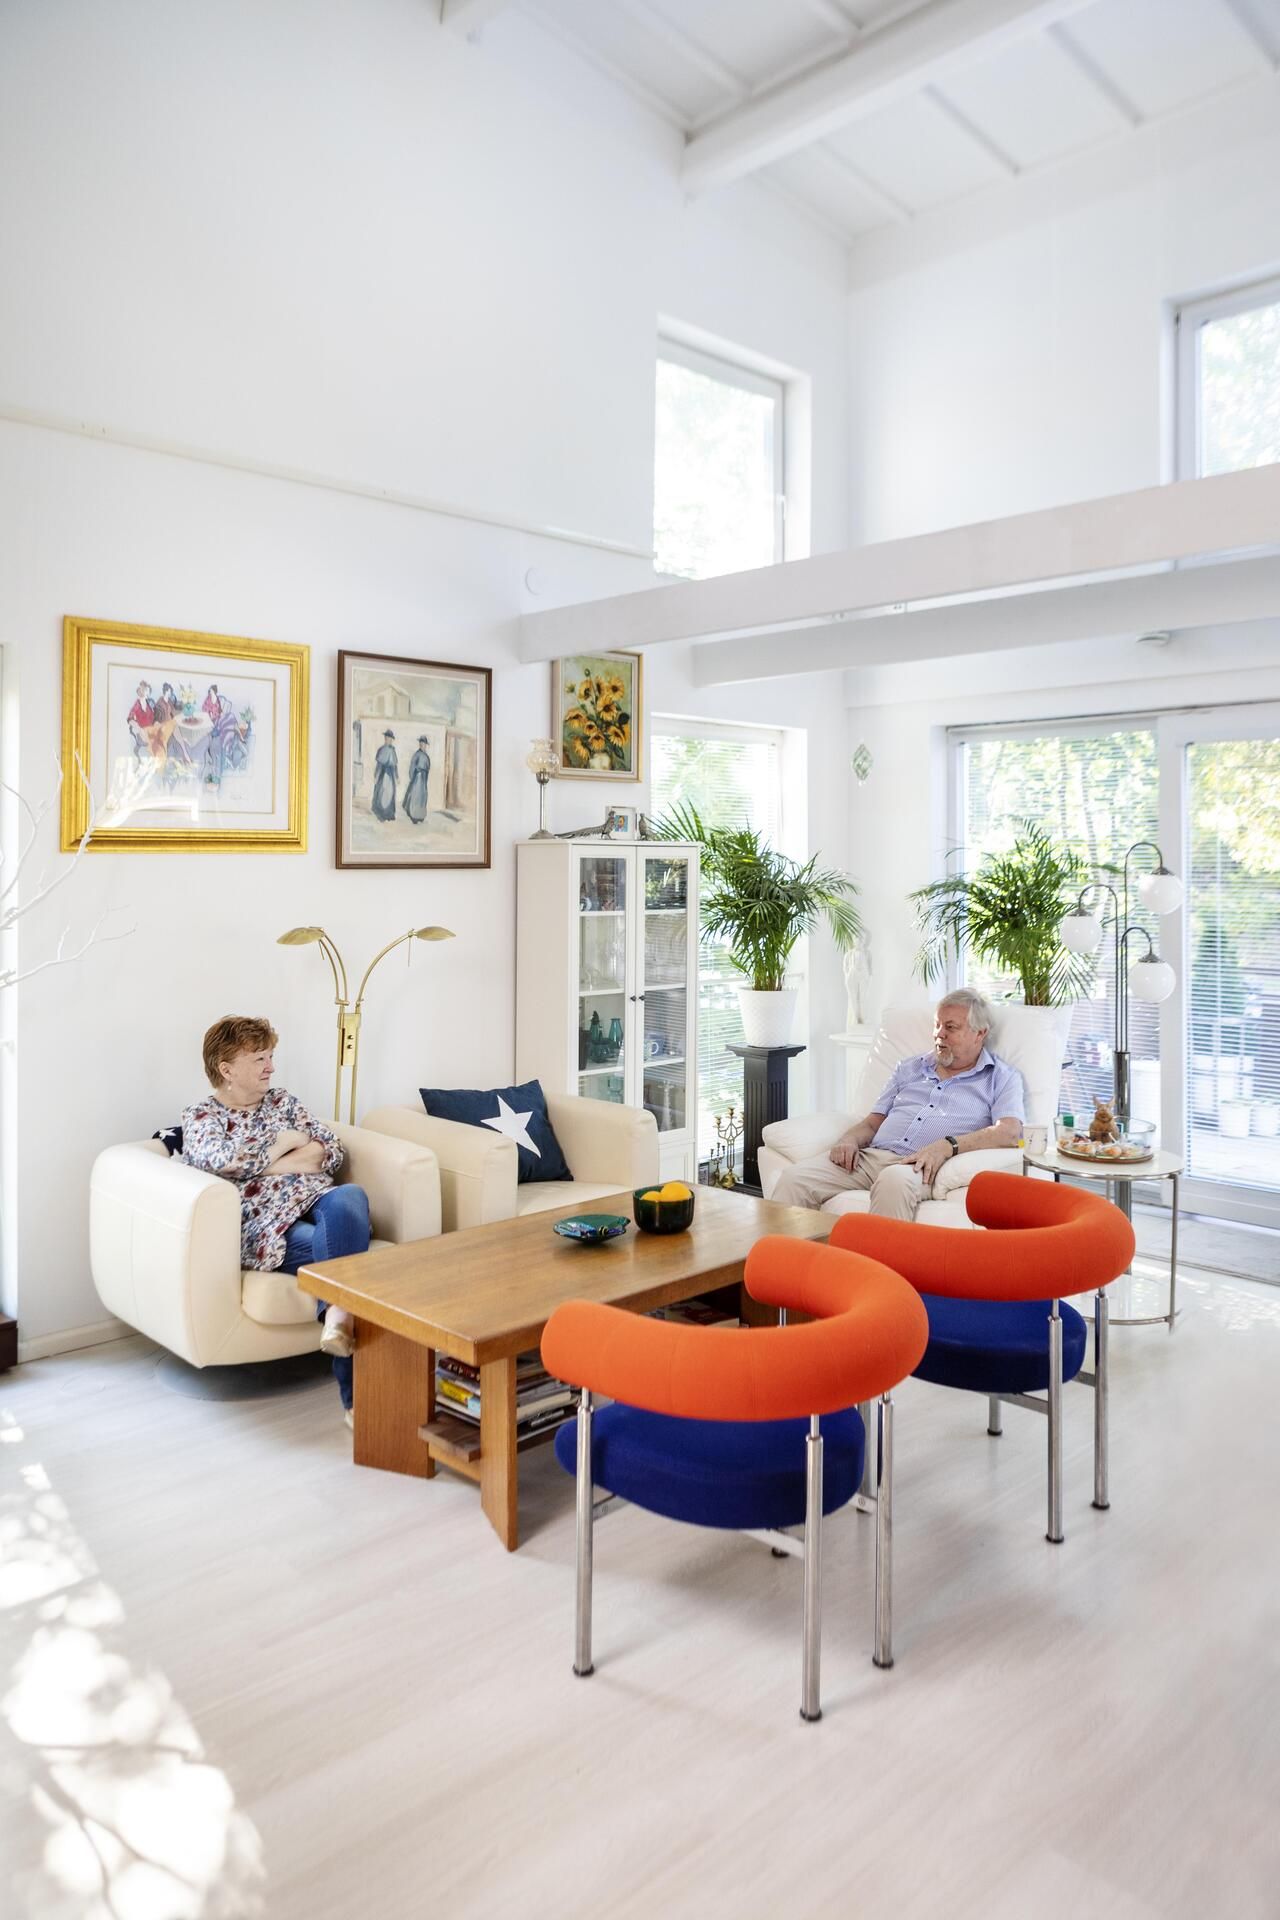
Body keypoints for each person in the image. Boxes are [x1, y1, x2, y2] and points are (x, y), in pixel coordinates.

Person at [180, 1016, 368, 1425]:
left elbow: (330, 1149)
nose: (271, 1067)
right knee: (346, 1251)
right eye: (259, 1059)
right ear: (227, 1069)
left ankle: (338, 1313)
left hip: (316, 1198)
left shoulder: (283, 1102)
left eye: (270, 1056)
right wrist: (286, 1142)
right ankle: (356, 1399)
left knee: (350, 1196)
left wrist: (263, 1165)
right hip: (266, 1227)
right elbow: (223, 1162)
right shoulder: (201, 1117)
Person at [771, 988, 1024, 1220]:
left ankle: (875, 1259)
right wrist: (848, 1140)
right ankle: (780, 1257)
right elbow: (873, 1123)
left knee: (892, 1180)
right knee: (795, 1179)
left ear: (980, 1033)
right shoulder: (910, 1067)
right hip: (869, 1158)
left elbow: (1011, 1132)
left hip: (919, 1166)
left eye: (950, 1027)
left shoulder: (1000, 1077)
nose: (939, 1034)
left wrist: (948, 1146)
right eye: (937, 1025)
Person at [402, 735, 431, 824]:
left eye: (424, 743)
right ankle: (414, 815)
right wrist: (412, 777)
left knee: (422, 797)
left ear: (426, 745)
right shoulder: (416, 754)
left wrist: (425, 779)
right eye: (421, 743)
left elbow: (428, 769)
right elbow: (412, 766)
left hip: (423, 779)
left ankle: (420, 816)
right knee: (415, 796)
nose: (422, 745)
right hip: (417, 778)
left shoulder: (426, 756)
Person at [371, 729, 398, 821]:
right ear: (385, 738)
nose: (388, 740)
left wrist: (397, 776)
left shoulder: (393, 751)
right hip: (382, 774)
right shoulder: (381, 749)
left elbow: (395, 766)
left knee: (390, 793)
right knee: (381, 792)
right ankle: (381, 813)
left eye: (390, 738)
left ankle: (389, 814)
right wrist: (376, 775)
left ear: (391, 739)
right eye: (386, 738)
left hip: (390, 775)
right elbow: (379, 765)